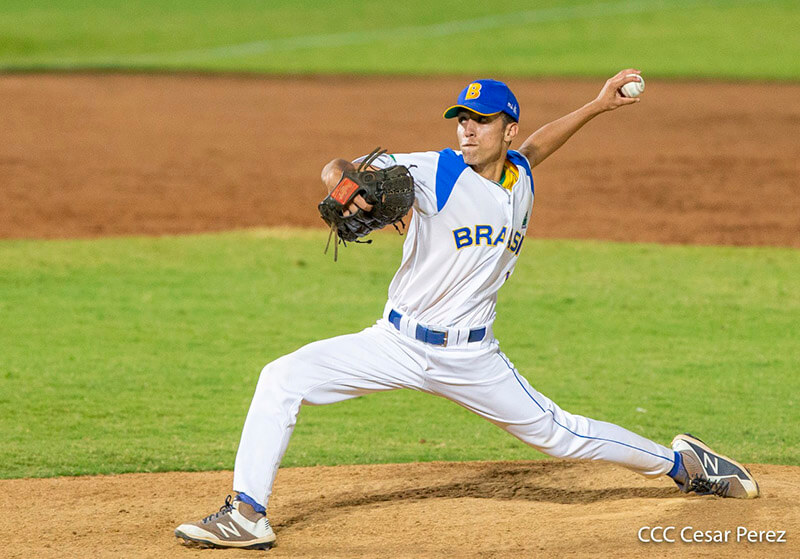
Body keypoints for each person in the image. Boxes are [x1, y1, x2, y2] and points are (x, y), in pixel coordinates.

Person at [174, 69, 759, 550]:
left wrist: (597, 106)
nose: (468, 129)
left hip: (472, 358)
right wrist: (345, 186)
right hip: (394, 343)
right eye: (461, 119)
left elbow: (537, 147)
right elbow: (342, 167)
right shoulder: (436, 171)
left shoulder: (520, 176)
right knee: (281, 377)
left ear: (507, 128)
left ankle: (683, 465)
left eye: (481, 120)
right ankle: (247, 513)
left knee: (559, 435)